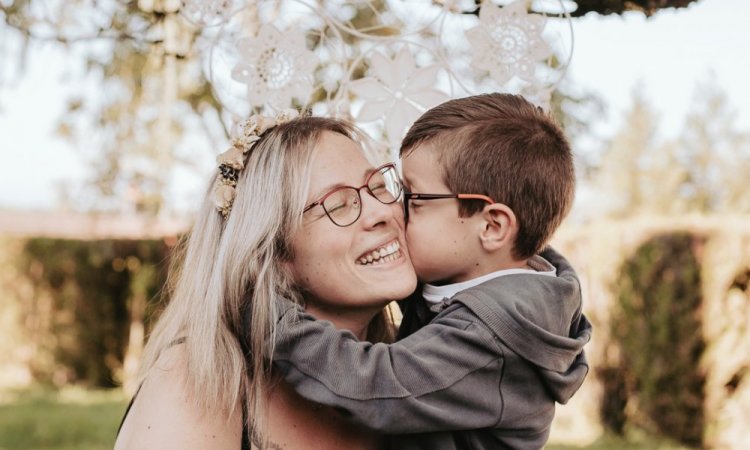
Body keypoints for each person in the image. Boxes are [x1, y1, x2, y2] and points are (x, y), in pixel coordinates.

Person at [272, 93, 593, 449]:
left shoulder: (489, 338)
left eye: (416, 198)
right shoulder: (481, 271)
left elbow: (377, 384)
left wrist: (271, 319)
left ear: (492, 227)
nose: (395, 208)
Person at [113, 112, 418, 450]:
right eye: (339, 204)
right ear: (272, 254)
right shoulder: (198, 380)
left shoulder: (416, 369)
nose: (381, 212)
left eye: (378, 185)